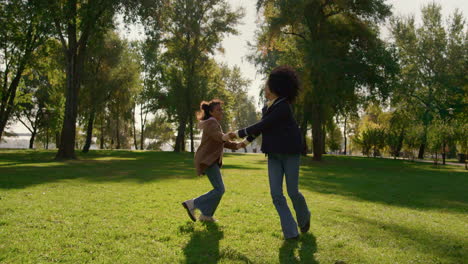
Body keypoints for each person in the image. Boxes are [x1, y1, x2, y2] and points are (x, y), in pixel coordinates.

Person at [229, 66, 310, 239]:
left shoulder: (283, 107)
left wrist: (237, 133)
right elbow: (262, 129)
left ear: (275, 87)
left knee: (293, 192)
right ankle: (291, 232)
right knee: (276, 194)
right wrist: (243, 143)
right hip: (273, 154)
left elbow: (262, 125)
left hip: (290, 154)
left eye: (267, 84)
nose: (264, 87)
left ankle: (304, 218)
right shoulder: (267, 108)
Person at [182, 99, 241, 222]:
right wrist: (230, 136)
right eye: (218, 110)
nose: (221, 112)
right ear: (211, 112)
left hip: (209, 160)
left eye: (222, 109)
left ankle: (206, 215)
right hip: (207, 160)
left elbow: (221, 141)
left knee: (218, 189)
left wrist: (238, 145)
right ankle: (192, 204)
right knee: (220, 189)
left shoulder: (213, 123)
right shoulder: (211, 123)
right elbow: (220, 137)